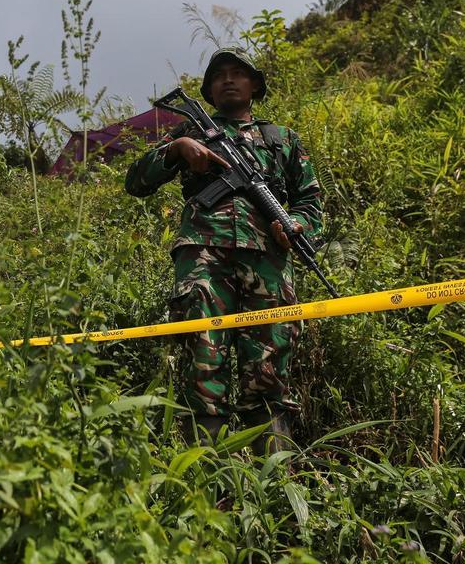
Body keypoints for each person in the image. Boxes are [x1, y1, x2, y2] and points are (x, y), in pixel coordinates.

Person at [125, 47, 323, 453]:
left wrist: (297, 225)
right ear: (209, 91)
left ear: (255, 85)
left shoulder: (282, 139)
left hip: (267, 261)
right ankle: (205, 476)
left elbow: (309, 201)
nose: (228, 79)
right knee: (203, 360)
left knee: (269, 368)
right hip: (203, 255)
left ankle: (273, 475)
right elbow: (136, 182)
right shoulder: (193, 130)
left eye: (238, 73)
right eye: (218, 75)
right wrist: (178, 148)